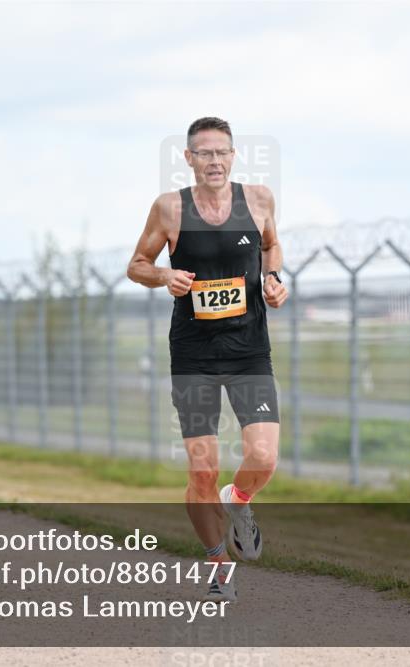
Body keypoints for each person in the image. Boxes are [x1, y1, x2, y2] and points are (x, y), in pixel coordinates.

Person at [127, 117, 288, 602]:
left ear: (233, 156)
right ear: (189, 158)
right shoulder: (169, 208)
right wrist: (162, 278)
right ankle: (219, 566)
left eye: (222, 153)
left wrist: (275, 280)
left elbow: (271, 245)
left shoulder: (257, 199)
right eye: (204, 153)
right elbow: (137, 264)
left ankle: (238, 503)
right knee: (202, 467)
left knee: (263, 455)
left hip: (248, 351)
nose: (214, 161)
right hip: (194, 353)